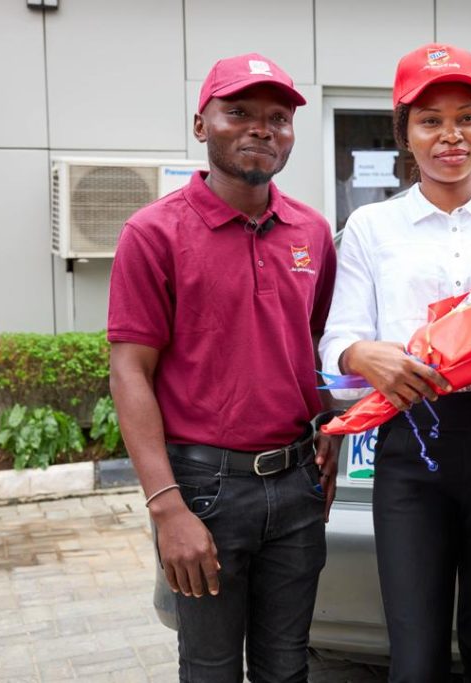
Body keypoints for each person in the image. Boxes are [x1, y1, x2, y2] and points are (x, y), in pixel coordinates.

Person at [319, 43, 471, 683]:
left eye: (467, 117)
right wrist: (362, 354)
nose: (450, 136)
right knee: (415, 654)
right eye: (430, 121)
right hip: (410, 451)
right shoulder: (373, 227)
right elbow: (336, 342)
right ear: (404, 133)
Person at [108, 53, 341, 682]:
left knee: (288, 667)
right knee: (210, 670)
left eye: (278, 117)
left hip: (296, 486)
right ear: (200, 124)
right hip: (202, 490)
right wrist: (167, 508)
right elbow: (129, 370)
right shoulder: (153, 233)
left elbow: (313, 348)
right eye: (238, 112)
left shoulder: (313, 233)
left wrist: (330, 435)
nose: (262, 128)